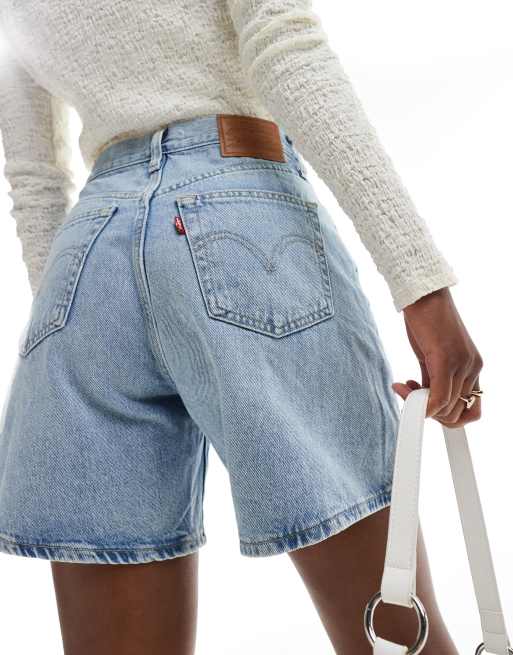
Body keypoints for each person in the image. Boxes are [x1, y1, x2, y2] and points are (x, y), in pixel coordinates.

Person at [0, 1, 482, 653]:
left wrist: (77, 320)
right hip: (240, 207)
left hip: (85, 259)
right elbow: (283, 45)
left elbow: (34, 176)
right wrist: (420, 284)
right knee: (395, 639)